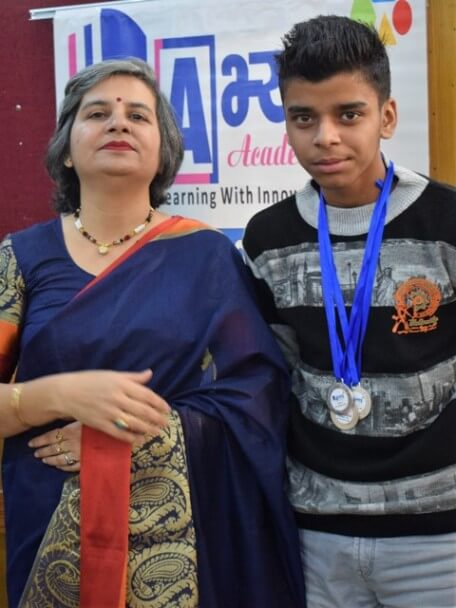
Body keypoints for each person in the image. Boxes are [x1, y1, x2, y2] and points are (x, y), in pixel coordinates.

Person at [0, 58, 306, 608]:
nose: (118, 122)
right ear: (66, 149)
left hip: (179, 539)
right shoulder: (19, 259)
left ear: (163, 152)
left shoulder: (207, 257)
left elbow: (257, 395)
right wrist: (59, 395)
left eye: (138, 116)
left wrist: (130, 434)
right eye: (98, 113)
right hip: (50, 527)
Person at [243, 15, 456, 608]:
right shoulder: (268, 238)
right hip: (318, 531)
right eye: (303, 118)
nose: (326, 137)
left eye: (349, 114)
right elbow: (275, 374)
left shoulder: (447, 223)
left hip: (440, 535)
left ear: (386, 117)